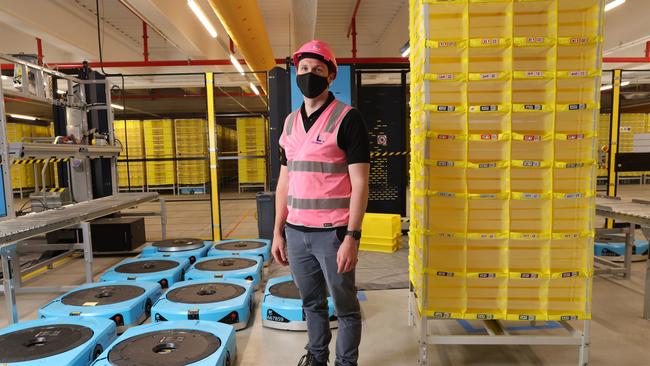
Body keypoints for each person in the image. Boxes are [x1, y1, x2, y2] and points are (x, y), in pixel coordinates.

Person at [272, 39, 370, 366]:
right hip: (297, 232)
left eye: (317, 69)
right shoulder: (288, 123)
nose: (309, 74)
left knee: (345, 308)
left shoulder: (348, 119)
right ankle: (316, 358)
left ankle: (346, 363)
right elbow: (284, 181)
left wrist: (352, 238)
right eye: (303, 69)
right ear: (295, 74)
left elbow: (360, 183)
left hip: (333, 233)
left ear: (330, 77)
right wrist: (277, 232)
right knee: (311, 303)